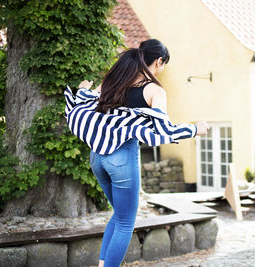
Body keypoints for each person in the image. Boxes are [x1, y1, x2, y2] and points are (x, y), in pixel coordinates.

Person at [70, 39, 209, 267]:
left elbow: (85, 103)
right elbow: (163, 131)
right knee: (126, 221)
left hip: (97, 156)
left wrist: (83, 89)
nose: (162, 70)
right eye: (163, 65)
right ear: (159, 61)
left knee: (119, 214)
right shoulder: (154, 90)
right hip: (121, 156)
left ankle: (102, 264)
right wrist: (195, 129)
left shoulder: (112, 81)